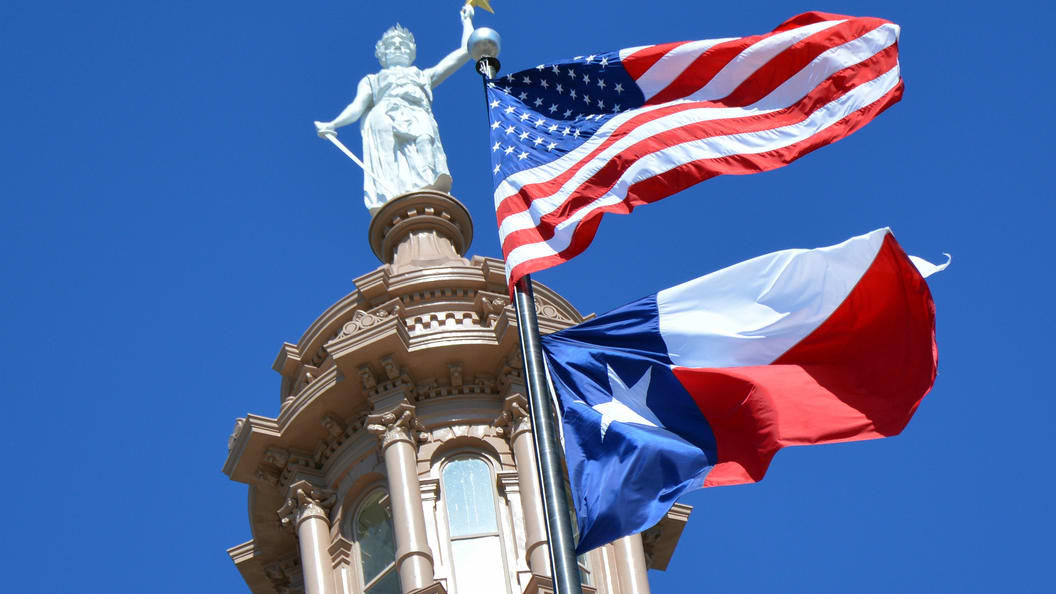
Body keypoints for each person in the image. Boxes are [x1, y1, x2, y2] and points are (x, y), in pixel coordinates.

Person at [315, 6, 476, 213]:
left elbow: (465, 51)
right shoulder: (372, 80)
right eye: (392, 44)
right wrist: (333, 124)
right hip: (384, 115)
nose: (398, 46)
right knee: (389, 160)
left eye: (403, 44)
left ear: (412, 51)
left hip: (417, 112)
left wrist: (467, 21)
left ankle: (429, 189)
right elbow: (357, 107)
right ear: (382, 53)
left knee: (426, 141)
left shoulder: (422, 75)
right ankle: (392, 197)